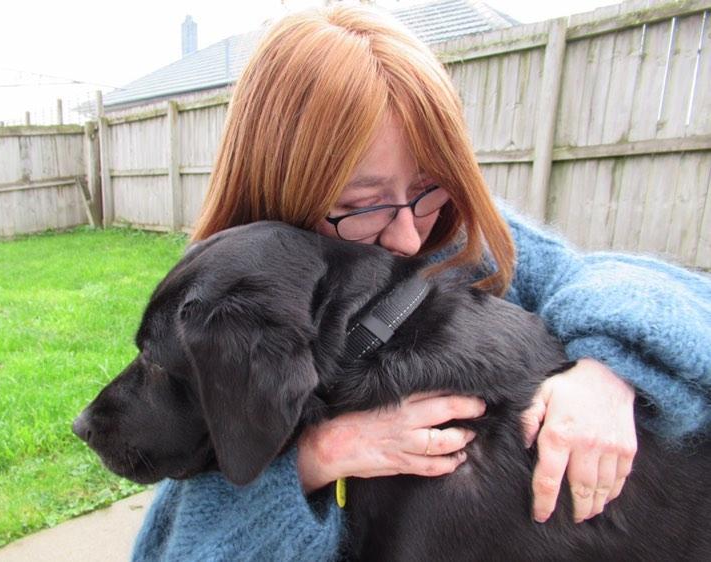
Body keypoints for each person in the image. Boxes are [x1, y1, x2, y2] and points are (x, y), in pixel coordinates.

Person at [132, 5, 711, 561]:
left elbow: (637, 288)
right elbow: (173, 546)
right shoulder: (233, 304)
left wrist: (609, 369)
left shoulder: (457, 241)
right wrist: (318, 455)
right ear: (283, 185)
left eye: (428, 186)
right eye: (363, 204)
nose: (410, 237)